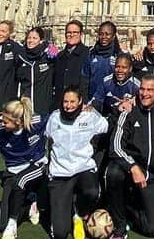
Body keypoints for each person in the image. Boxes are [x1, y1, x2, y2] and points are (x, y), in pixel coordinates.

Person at [107, 74, 154, 239]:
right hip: (130, 172)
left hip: (153, 179)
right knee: (113, 172)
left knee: (151, 229)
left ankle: (128, 208)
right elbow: (115, 146)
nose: (145, 93)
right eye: (142, 89)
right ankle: (120, 224)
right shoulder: (129, 109)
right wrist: (132, 167)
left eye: (150, 90)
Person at [46, 85, 110, 239]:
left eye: (72, 101)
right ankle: (66, 208)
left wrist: (94, 110)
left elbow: (107, 126)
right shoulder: (54, 118)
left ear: (81, 101)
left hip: (83, 169)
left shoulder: (90, 116)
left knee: (92, 192)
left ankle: (79, 212)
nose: (68, 106)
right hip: (60, 174)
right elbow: (46, 138)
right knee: (60, 234)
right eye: (65, 102)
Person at [0, 97, 47, 239]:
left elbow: (59, 117)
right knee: (2, 224)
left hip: (36, 166)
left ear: (18, 122)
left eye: (6, 121)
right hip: (12, 171)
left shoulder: (37, 123)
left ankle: (13, 223)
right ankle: (29, 204)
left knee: (22, 180)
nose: (2, 122)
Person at [16, 27, 56, 116]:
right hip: (25, 104)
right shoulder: (20, 56)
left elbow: (57, 55)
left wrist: (49, 46)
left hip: (43, 105)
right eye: (29, 38)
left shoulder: (48, 54)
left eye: (35, 38)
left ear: (40, 40)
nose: (31, 41)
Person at [53, 20, 92, 107]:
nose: (71, 35)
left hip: (80, 105)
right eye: (69, 32)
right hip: (60, 104)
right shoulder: (59, 56)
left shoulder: (87, 54)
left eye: (75, 32)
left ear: (81, 34)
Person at [89, 53, 141, 118]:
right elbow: (96, 101)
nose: (120, 70)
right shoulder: (106, 82)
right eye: (117, 67)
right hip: (108, 117)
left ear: (130, 69)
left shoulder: (136, 85)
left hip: (127, 120)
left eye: (124, 67)